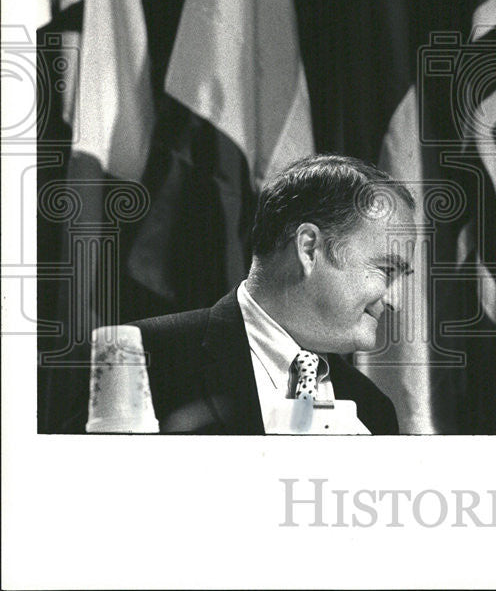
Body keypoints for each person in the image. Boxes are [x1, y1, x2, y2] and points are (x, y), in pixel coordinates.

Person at [130, 154, 416, 434]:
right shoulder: (142, 359)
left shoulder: (374, 411)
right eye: (387, 269)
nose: (396, 302)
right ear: (308, 248)